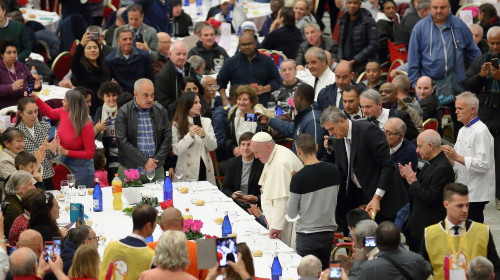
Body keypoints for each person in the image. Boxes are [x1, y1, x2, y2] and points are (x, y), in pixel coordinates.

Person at [320, 106, 408, 227]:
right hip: (358, 197)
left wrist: (377, 197)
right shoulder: (337, 139)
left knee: (384, 241)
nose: (330, 134)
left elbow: (387, 166)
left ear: (341, 121)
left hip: (384, 197)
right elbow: (341, 171)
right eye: (327, 130)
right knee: (364, 241)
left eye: (331, 129)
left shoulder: (368, 131)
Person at [407, 0, 480, 106]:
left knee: (459, 120)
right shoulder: (420, 28)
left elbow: (473, 52)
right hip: (429, 88)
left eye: (442, 7)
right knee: (432, 121)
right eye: (435, 8)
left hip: (456, 85)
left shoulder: (459, 25)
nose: (439, 11)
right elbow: (413, 59)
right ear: (430, 8)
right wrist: (416, 85)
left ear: (449, 7)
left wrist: (478, 74)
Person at [422, 183, 500, 279]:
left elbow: (496, 269)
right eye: (460, 206)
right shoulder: (430, 234)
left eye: (467, 205)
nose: (465, 210)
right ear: (446, 204)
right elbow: (421, 271)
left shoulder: (482, 232)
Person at [286, 133, 339, 269]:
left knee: (309, 275)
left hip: (307, 235)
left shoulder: (298, 178)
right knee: (329, 273)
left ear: (298, 151)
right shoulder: (333, 170)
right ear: (316, 147)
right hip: (329, 234)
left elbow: (291, 214)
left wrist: (295, 183)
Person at [441, 92, 495, 223]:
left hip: (477, 191)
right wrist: (447, 156)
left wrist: (456, 156)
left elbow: (483, 164)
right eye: (456, 108)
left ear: (472, 109)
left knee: (474, 229)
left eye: (460, 109)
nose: (456, 112)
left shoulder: (481, 131)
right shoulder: (462, 130)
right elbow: (457, 163)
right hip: (464, 187)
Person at [398, 129, 454, 251]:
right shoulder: (432, 163)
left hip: (428, 231)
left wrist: (413, 181)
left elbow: (431, 197)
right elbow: (423, 186)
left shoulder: (442, 168)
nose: (417, 150)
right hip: (418, 228)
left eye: (419, 146)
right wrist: (410, 179)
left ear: (430, 146)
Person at [464, 26, 500, 210]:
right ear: (487, 42)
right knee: (481, 156)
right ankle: (480, 194)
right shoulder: (479, 61)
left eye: (498, 43)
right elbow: (468, 87)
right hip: (485, 116)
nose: (494, 46)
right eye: (492, 43)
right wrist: (481, 76)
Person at [32, 90, 95, 189]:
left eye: (64, 101)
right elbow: (50, 112)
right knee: (64, 193)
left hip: (81, 167)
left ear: (71, 105)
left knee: (82, 196)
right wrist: (36, 98)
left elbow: (90, 153)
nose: (62, 102)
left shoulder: (86, 124)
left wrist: (67, 152)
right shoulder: (64, 111)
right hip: (62, 160)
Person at [250, 132, 303, 246]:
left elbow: (281, 199)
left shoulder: (281, 163)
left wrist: (276, 227)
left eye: (257, 152)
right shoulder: (274, 154)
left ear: (267, 146)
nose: (255, 157)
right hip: (280, 219)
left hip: (286, 223)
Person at [115, 78, 172, 182]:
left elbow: (167, 138)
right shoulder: (123, 112)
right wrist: (145, 161)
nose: (150, 99)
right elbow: (122, 142)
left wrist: (155, 162)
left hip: (156, 168)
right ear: (135, 93)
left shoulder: (160, 110)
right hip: (130, 169)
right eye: (146, 95)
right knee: (130, 199)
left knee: (161, 198)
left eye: (152, 95)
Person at [347, 222, 432, 280]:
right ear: (399, 240)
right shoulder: (417, 260)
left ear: (377, 242)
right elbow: (428, 271)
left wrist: (357, 263)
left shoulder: (369, 268)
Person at [217, 33, 281, 106]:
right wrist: (224, 99)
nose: (247, 47)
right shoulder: (230, 62)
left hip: (262, 104)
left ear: (255, 44)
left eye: (249, 44)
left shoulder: (267, 60)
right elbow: (220, 82)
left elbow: (277, 81)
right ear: (239, 46)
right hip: (239, 105)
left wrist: (264, 89)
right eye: (244, 45)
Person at [265, 84, 325, 158]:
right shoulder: (305, 115)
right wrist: (269, 120)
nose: (293, 100)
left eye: (294, 97)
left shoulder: (313, 120)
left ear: (300, 98)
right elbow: (292, 129)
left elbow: (314, 153)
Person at [100, 204, 157, 280]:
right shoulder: (151, 256)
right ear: (148, 226)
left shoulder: (110, 247)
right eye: (156, 223)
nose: (156, 226)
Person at [146, 207, 207, 279]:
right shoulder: (202, 248)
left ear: (161, 226)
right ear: (182, 223)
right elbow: (209, 277)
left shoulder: (147, 249)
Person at [171, 92, 217, 184]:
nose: (199, 105)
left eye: (199, 102)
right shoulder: (177, 124)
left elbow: (213, 146)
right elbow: (176, 150)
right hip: (186, 170)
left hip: (204, 167)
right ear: (186, 105)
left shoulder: (206, 121)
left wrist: (204, 136)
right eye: (195, 103)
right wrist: (190, 135)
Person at [15, 98, 59, 190]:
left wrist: (53, 151)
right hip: (29, 179)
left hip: (47, 176)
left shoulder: (46, 126)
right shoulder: (16, 133)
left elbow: (56, 158)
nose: (34, 115)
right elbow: (20, 158)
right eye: (30, 112)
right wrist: (42, 148)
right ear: (20, 113)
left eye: (36, 111)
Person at [70, 33, 110, 116]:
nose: (93, 50)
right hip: (89, 110)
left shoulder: (105, 66)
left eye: (95, 47)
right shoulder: (80, 69)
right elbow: (73, 62)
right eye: (89, 48)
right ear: (83, 51)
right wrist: (81, 45)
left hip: (106, 108)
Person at [224, 85, 269, 157]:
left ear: (252, 102)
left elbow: (264, 139)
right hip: (238, 156)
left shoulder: (259, 116)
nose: (241, 102)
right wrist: (234, 148)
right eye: (239, 99)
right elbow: (227, 137)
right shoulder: (233, 115)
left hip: (257, 156)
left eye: (245, 100)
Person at [105, 27, 154, 94]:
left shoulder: (144, 56)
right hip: (121, 96)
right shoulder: (110, 60)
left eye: (130, 39)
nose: (128, 42)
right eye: (124, 39)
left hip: (141, 94)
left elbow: (151, 79)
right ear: (118, 41)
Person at [221, 132, 264, 209]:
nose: (245, 148)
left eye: (249, 145)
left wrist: (256, 198)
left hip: (255, 206)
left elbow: (267, 192)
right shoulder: (232, 163)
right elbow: (224, 188)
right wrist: (232, 195)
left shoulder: (262, 164)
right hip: (235, 204)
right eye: (243, 144)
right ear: (239, 147)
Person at [337, 0, 378, 74]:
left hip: (362, 65)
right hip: (345, 63)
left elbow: (374, 45)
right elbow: (340, 43)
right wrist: (340, 59)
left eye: (355, 3)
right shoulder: (343, 19)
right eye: (349, 3)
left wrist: (355, 60)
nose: (352, 5)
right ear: (346, 4)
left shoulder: (368, 21)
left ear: (360, 4)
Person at [93, 82, 122, 182]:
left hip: (122, 157)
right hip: (105, 158)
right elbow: (95, 132)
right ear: (103, 97)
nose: (111, 98)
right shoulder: (99, 110)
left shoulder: (123, 109)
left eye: (114, 95)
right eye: (108, 96)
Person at [0, 39, 40, 109]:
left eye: (14, 52)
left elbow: (31, 82)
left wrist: (34, 87)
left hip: (24, 107)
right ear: (2, 54)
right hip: (5, 109)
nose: (13, 55)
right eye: (9, 53)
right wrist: (11, 87)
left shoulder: (21, 66)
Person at [155, 41, 189, 110]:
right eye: (178, 54)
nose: (182, 57)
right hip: (175, 114)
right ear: (170, 54)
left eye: (184, 54)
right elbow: (163, 104)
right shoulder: (163, 76)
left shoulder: (190, 68)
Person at [3, 171, 35, 236]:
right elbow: (17, 234)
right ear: (20, 188)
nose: (34, 187)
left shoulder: (19, 199)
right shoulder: (11, 209)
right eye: (30, 184)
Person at [376, 0, 398, 65]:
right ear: (382, 11)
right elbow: (382, 43)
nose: (391, 10)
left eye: (393, 8)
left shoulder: (391, 21)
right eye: (388, 8)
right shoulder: (381, 23)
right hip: (384, 61)